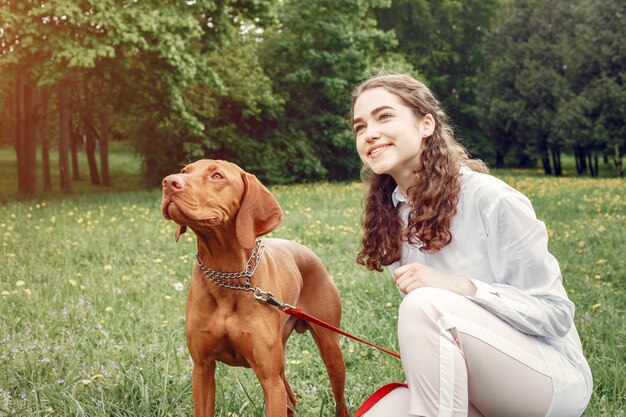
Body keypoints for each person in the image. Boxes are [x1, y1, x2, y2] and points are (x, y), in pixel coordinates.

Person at [349, 73, 592, 417]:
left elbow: (555, 315)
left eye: (384, 116)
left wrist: (462, 288)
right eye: (360, 127)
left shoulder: (490, 198)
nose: (369, 133)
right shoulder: (392, 215)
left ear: (426, 124)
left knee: (425, 304)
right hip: (476, 386)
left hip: (549, 381)